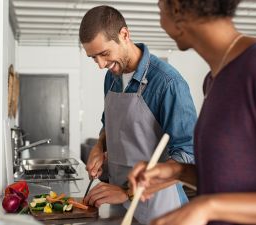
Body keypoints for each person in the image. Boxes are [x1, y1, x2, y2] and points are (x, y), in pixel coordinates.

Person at [128, 0, 256, 225]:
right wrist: (176, 171)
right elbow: (230, 180)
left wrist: (207, 207)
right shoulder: (213, 79)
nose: (160, 22)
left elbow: (215, 201)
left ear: (176, 8)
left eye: (159, 8)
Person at [79, 5, 197, 224]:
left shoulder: (168, 83)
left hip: (161, 209)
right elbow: (109, 124)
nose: (101, 65)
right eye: (93, 58)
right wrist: (99, 147)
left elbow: (187, 154)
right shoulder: (111, 77)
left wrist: (128, 192)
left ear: (124, 34)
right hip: (120, 204)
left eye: (104, 54)